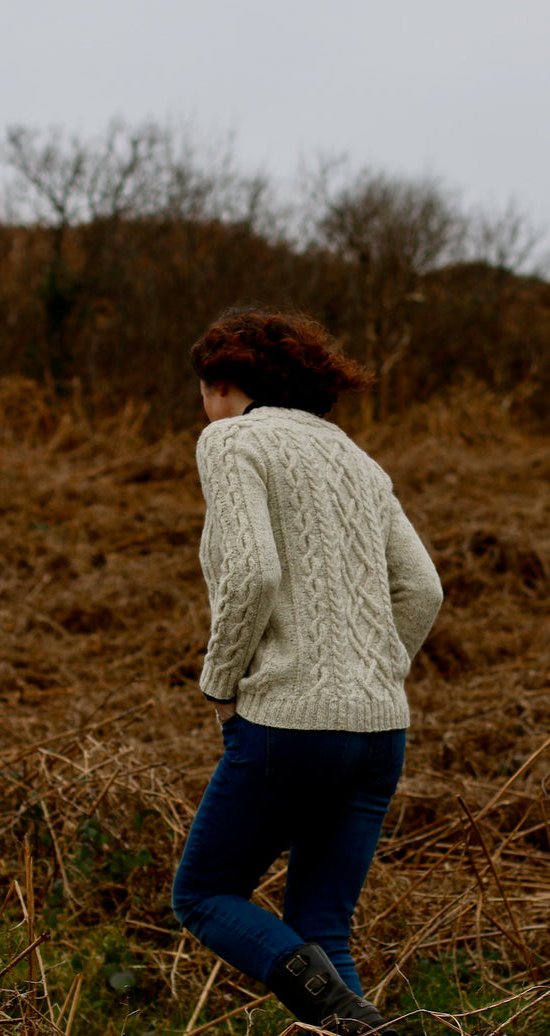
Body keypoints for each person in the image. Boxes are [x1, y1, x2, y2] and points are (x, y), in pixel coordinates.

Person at [171, 308, 443, 1035]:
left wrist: (220, 687)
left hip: (287, 726)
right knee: (323, 930)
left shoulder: (230, 440)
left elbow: (253, 574)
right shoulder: (356, 457)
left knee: (203, 893)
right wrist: (375, 674)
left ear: (224, 383)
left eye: (204, 387)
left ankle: (335, 1013)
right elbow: (424, 590)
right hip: (381, 729)